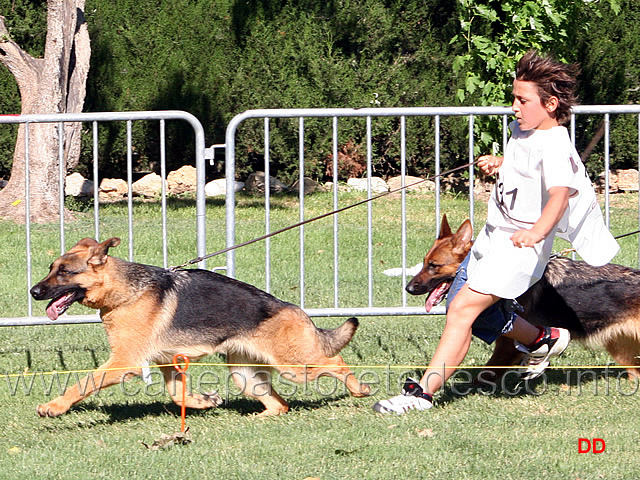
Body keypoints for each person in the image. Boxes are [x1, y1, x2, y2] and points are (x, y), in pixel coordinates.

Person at [373, 50, 620, 414]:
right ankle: (543, 339)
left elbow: (560, 194)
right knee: (473, 312)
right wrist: (500, 163)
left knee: (459, 309)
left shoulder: (556, 145)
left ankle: (421, 395)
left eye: (523, 100)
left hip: (519, 248)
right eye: (514, 98)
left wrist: (537, 232)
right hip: (493, 238)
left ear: (550, 104)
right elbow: (525, 167)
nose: (515, 107)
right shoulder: (524, 130)